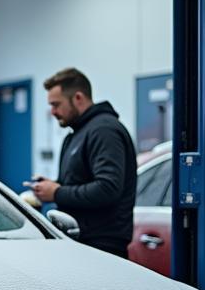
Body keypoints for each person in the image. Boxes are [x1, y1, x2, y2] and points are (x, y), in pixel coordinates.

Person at [28, 67, 137, 258]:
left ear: (78, 98)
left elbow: (108, 188)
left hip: (102, 247)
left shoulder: (104, 131)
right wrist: (52, 186)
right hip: (80, 242)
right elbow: (80, 182)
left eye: (56, 104)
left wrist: (57, 192)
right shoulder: (76, 134)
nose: (52, 112)